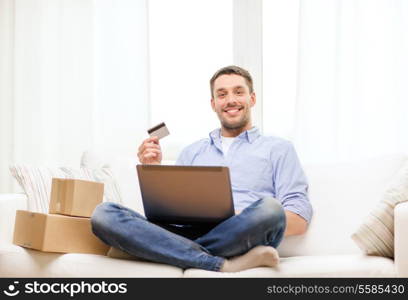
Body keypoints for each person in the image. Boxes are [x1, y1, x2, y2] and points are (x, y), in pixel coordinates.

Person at [91, 65, 313, 272]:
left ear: (251, 98)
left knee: (270, 210)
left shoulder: (279, 148)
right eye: (222, 94)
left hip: (241, 233)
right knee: (104, 214)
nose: (230, 100)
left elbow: (298, 220)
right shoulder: (191, 152)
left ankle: (157, 251)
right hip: (188, 230)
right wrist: (153, 170)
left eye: (238, 92)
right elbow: (171, 212)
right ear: (213, 103)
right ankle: (218, 263)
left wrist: (236, 217)